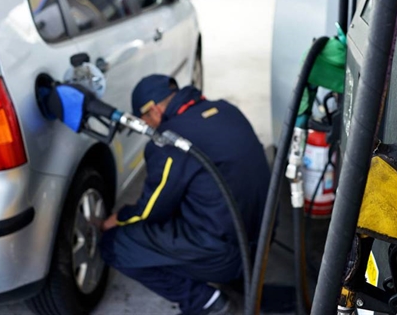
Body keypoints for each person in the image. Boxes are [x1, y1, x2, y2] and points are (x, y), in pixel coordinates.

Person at [100, 74, 271, 315]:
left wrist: (118, 218)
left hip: (226, 257)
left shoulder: (170, 141)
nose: (149, 130)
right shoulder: (226, 109)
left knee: (114, 245)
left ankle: (204, 301)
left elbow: (150, 211)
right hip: (261, 244)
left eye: (146, 122)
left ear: (155, 111)